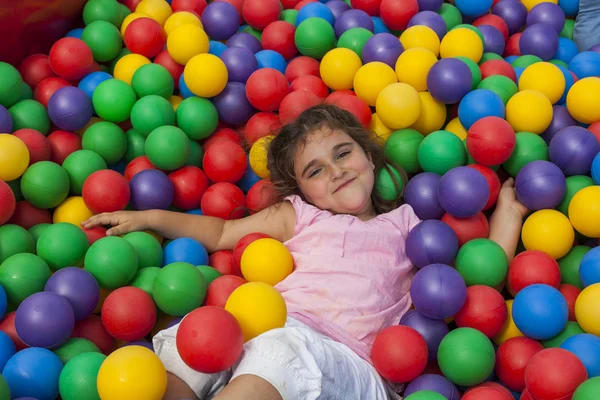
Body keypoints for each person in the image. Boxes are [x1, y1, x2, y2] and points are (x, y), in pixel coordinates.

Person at [82, 104, 527, 400]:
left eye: (343, 153)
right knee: (200, 335)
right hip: (268, 326)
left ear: (370, 157)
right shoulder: (301, 216)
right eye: (316, 170)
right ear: (303, 190)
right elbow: (221, 232)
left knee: (280, 349)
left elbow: (472, 282)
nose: (335, 172)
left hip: (347, 363)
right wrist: (150, 218)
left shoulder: (409, 225)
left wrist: (509, 216)